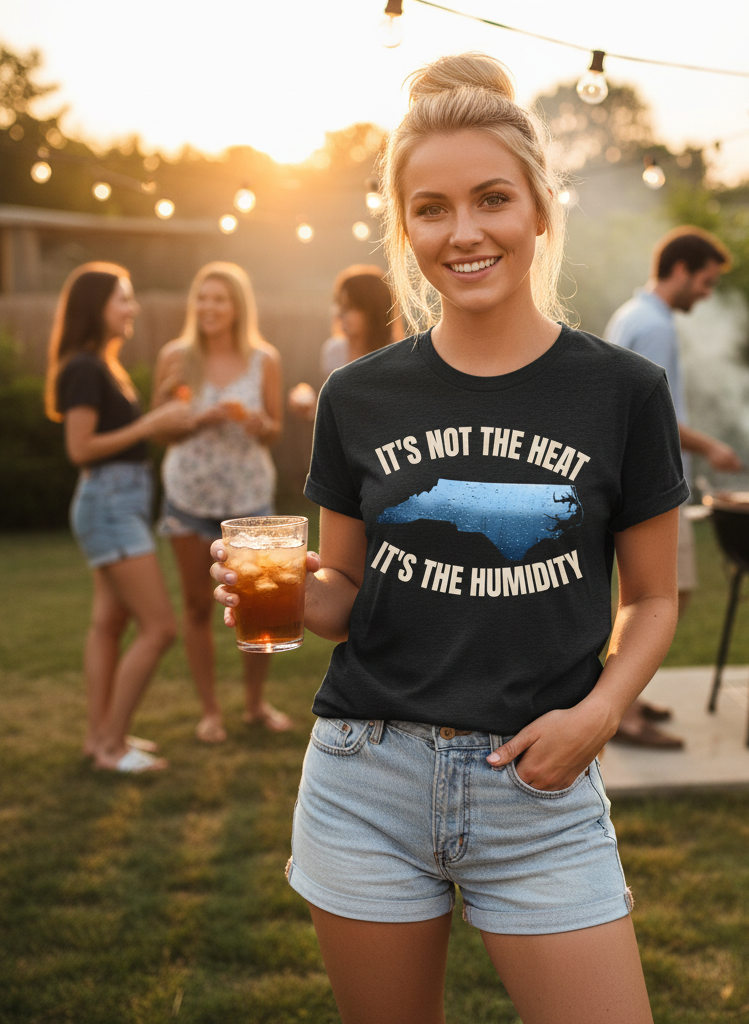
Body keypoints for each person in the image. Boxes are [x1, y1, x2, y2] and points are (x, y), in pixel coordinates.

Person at [211, 53, 685, 1024]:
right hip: (365, 777)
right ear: (405, 228)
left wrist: (599, 714)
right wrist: (291, 590)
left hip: (539, 787)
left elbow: (653, 596)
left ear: (540, 209)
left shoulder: (623, 392)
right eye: (430, 209)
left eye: (492, 199)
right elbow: (343, 597)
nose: (463, 232)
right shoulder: (357, 395)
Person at [44, 262, 191, 772]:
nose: (133, 308)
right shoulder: (85, 368)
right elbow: (81, 448)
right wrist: (151, 423)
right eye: (123, 299)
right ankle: (111, 747)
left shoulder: (103, 366)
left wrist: (159, 408)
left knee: (108, 624)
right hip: (109, 505)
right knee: (160, 628)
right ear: (96, 307)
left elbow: (121, 435)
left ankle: (100, 738)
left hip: (115, 502)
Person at [605, 226, 743, 748]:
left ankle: (627, 701)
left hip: (631, 480)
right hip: (651, 485)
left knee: (641, 597)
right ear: (681, 270)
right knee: (658, 600)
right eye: (706, 282)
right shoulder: (655, 326)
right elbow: (656, 419)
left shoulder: (630, 315)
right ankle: (620, 712)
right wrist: (711, 447)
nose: (706, 294)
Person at [153, 262, 291, 743]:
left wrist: (259, 424)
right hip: (188, 498)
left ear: (237, 307)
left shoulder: (264, 359)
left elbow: (274, 430)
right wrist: (197, 420)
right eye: (202, 297)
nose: (208, 307)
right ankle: (210, 711)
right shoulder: (176, 357)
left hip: (248, 501)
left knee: (258, 606)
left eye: (219, 299)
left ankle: (254, 704)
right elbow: (160, 427)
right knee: (197, 606)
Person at [287, 265, 399, 420]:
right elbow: (334, 412)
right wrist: (311, 409)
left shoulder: (396, 357)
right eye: (340, 304)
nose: (340, 313)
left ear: (374, 311)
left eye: (350, 307)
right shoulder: (333, 351)